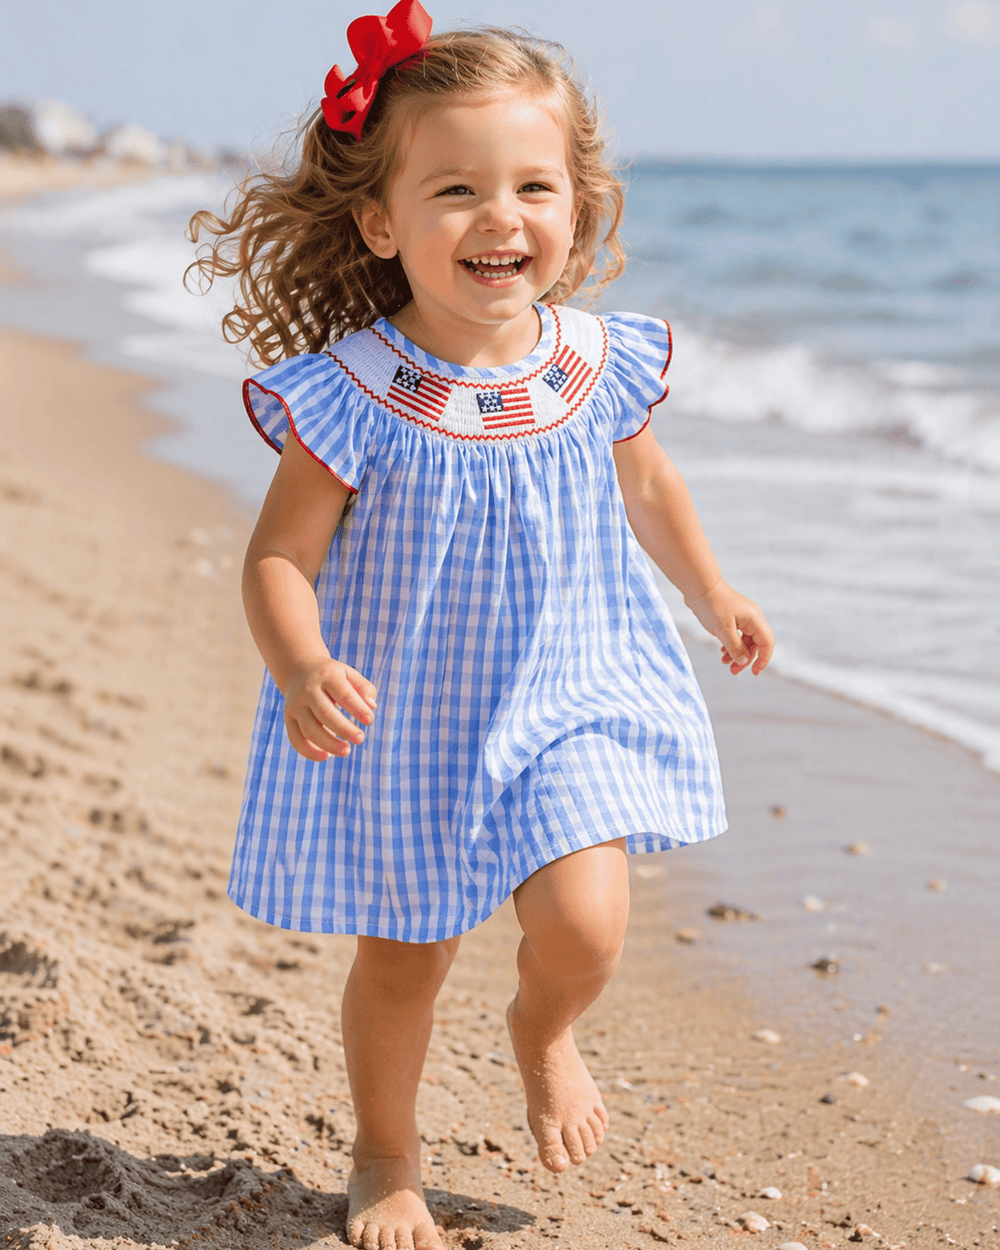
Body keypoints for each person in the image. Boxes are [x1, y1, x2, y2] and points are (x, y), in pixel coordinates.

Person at [189, 3, 774, 1246]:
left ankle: (542, 1024)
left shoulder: (594, 360)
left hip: (575, 688)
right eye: (454, 188)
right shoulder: (352, 391)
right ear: (381, 221)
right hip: (410, 717)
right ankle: (384, 1148)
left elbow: (649, 485)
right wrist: (299, 663)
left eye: (532, 184)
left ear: (577, 203)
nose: (500, 215)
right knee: (404, 958)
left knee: (585, 924)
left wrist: (709, 591)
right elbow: (279, 554)